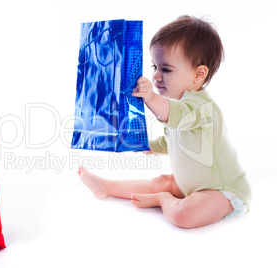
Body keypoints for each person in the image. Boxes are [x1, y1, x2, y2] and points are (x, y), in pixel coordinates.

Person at [77, 15, 251, 229]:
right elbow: (174, 141)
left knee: (184, 215)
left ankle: (163, 199)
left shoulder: (201, 107)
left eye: (166, 69)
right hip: (193, 185)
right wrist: (148, 145)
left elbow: (171, 114)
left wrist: (150, 97)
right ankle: (107, 186)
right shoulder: (182, 105)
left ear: (199, 74)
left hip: (223, 191)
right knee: (162, 181)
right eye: (154, 67)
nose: (157, 77)